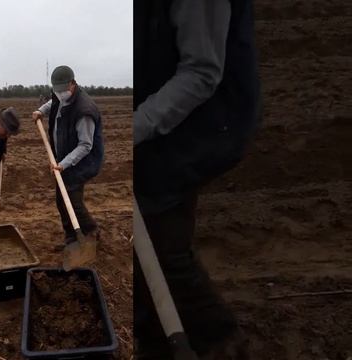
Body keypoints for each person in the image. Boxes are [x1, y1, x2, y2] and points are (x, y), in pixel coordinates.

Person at [133, 0, 261, 358]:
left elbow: (201, 73)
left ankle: (220, 342)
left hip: (198, 124)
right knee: (143, 245)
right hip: (155, 116)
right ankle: (155, 340)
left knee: (164, 247)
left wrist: (134, 126)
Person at [32, 65, 104, 250]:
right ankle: (71, 237)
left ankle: (91, 231)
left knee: (72, 199)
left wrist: (63, 164)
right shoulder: (60, 94)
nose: (59, 94)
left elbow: (85, 146)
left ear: (72, 84)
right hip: (64, 157)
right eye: (57, 90)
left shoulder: (84, 111)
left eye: (63, 90)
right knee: (61, 199)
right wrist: (41, 110)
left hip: (80, 161)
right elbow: (53, 102)